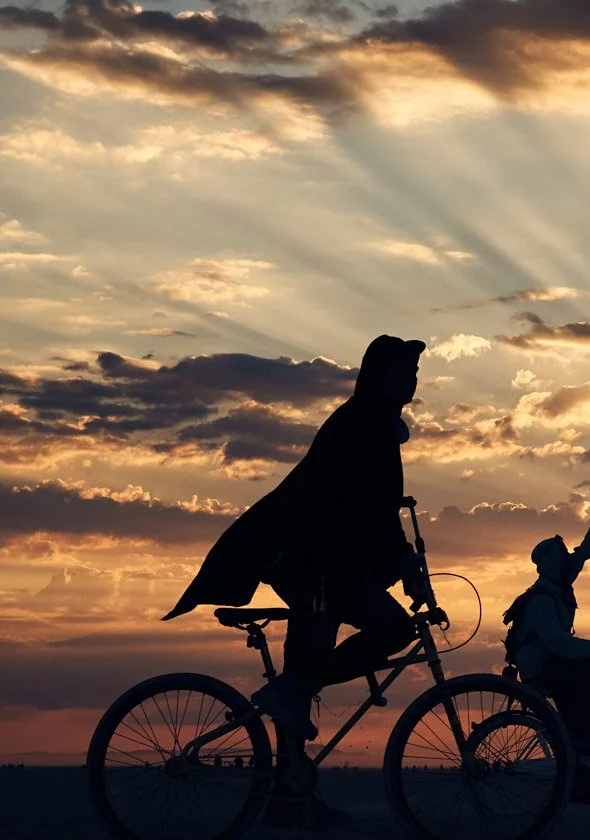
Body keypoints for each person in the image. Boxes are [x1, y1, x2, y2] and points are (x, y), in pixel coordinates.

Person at [164, 335, 429, 829]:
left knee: (302, 681)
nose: (412, 379)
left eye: (415, 371)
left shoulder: (369, 421)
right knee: (391, 631)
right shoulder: (364, 422)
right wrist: (405, 565)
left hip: (313, 560)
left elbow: (371, 514)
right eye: (404, 370)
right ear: (379, 375)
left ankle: (290, 799)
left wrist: (399, 563)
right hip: (311, 561)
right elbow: (370, 510)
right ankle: (294, 691)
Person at [504, 496, 590, 803]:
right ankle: (573, 731)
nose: (567, 557)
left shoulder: (560, 583)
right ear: (550, 562)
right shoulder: (543, 597)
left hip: (552, 662)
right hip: (540, 667)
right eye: (560, 554)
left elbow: (586, 550)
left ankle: (588, 780)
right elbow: (556, 642)